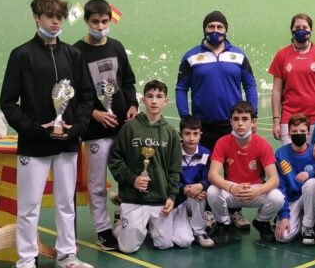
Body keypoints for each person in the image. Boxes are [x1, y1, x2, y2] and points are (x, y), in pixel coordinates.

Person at [0, 0, 95, 268]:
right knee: (29, 206)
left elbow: (87, 96)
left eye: (59, 17)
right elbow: (8, 103)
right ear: (36, 18)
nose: (55, 22)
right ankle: (26, 264)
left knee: (67, 203)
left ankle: (67, 256)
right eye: (49, 16)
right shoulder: (21, 55)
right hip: (35, 145)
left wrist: (75, 127)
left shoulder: (73, 55)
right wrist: (34, 129)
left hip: (67, 143)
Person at [175, 11, 257, 231]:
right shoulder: (191, 56)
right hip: (203, 125)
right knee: (209, 169)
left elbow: (250, 84)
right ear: (204, 29)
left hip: (231, 125)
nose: (215, 31)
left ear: (226, 30)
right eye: (211, 27)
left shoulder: (237, 55)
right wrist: (186, 117)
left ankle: (235, 210)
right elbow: (181, 88)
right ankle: (211, 211)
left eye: (219, 27)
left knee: (234, 169)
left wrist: (253, 114)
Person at [74, 0, 139, 251]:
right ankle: (102, 230)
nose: (100, 26)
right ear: (86, 21)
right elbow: (74, 95)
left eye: (104, 21)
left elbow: (128, 81)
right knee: (97, 184)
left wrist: (132, 104)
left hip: (123, 128)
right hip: (95, 131)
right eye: (95, 22)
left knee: (127, 176)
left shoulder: (117, 47)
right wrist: (94, 114)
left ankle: (122, 216)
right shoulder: (76, 52)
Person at [108, 80, 182, 253]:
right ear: (143, 100)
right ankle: (121, 222)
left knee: (164, 244)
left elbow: (175, 168)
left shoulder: (170, 132)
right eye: (150, 96)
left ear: (166, 101)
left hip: (160, 199)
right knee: (128, 248)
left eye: (159, 97)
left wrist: (171, 196)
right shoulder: (129, 128)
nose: (154, 101)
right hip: (133, 198)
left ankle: (145, 226)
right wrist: (132, 180)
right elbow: (115, 159)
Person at [207, 102, 284, 243]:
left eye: (244, 119)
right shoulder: (222, 142)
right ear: (231, 122)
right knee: (212, 191)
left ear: (253, 122)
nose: (240, 124)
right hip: (232, 190)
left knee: (277, 197)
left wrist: (256, 192)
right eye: (236, 119)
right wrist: (231, 188)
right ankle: (223, 224)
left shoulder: (262, 144)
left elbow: (274, 179)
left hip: (255, 190)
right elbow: (212, 174)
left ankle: (262, 222)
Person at [269, 13, 315, 145]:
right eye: (297, 27)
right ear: (291, 30)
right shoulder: (282, 55)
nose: (301, 30)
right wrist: (276, 121)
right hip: (289, 119)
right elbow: (276, 91)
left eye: (304, 27)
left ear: (310, 30)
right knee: (290, 160)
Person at [274, 114, 315, 245]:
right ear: (288, 134)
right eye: (294, 132)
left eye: (302, 131)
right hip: (291, 198)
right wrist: (284, 216)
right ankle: (298, 217)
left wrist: (310, 175)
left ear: (308, 134)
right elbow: (280, 186)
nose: (298, 134)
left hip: (309, 196)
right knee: (283, 237)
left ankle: (308, 226)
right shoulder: (280, 154)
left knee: (312, 183)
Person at [176, 116, 215, 248]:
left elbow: (209, 177)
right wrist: (185, 189)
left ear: (200, 135)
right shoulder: (173, 153)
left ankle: (199, 232)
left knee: (201, 194)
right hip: (177, 199)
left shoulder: (205, 154)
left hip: (195, 197)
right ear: (180, 134)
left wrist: (201, 185)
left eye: (195, 134)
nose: (191, 138)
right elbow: (170, 179)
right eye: (187, 134)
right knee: (181, 241)